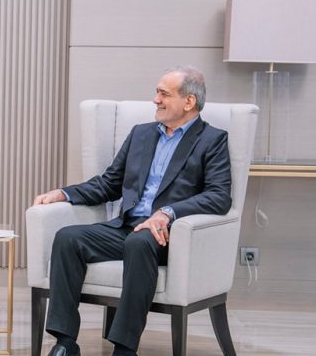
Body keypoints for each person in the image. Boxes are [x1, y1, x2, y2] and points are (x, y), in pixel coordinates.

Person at [32, 66, 231, 356]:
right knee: (68, 238)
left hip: (168, 236)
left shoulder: (212, 140)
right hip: (127, 227)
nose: (155, 99)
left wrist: (167, 212)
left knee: (139, 242)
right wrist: (65, 193)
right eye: (157, 92)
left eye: (164, 94)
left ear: (189, 101)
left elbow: (219, 196)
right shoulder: (141, 134)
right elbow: (110, 183)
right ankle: (65, 343)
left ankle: (124, 349)